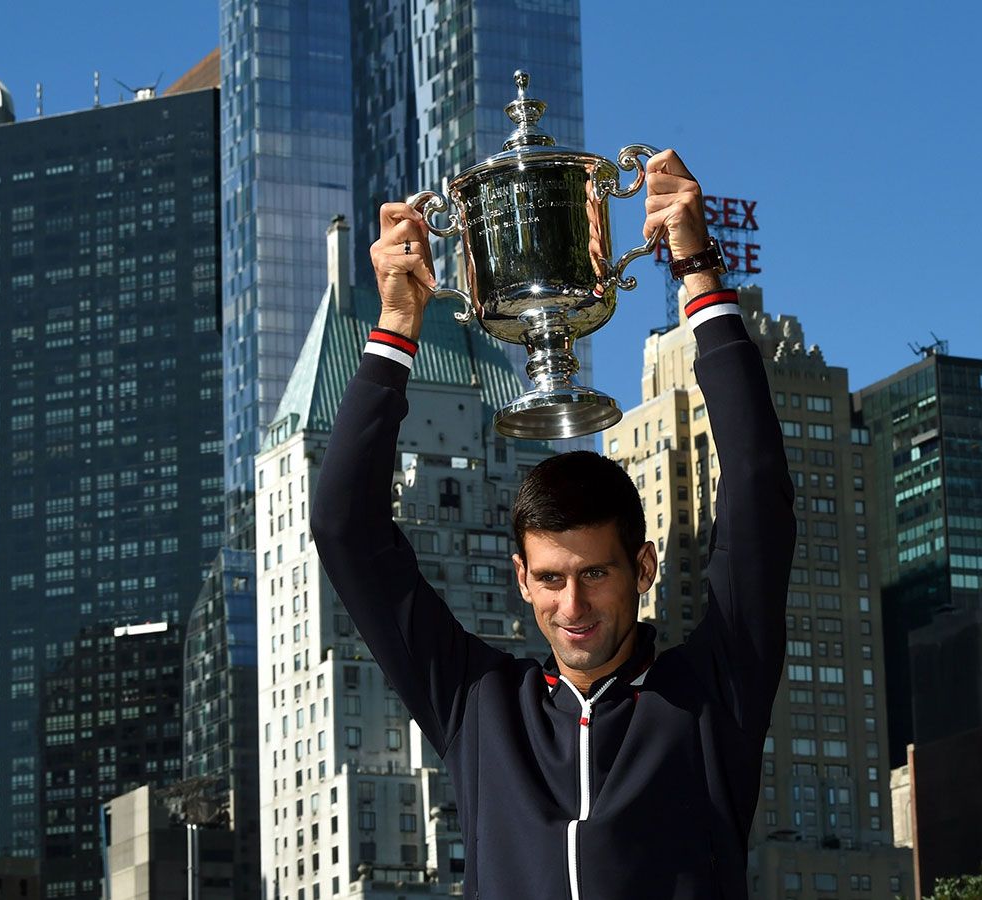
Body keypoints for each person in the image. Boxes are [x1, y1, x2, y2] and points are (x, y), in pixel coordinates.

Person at [311, 150, 795, 900]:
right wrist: (399, 320)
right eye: (551, 579)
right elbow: (343, 525)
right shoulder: (478, 707)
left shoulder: (712, 694)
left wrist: (697, 267)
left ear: (644, 568)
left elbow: (759, 493)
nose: (572, 608)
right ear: (522, 581)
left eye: (595, 575)